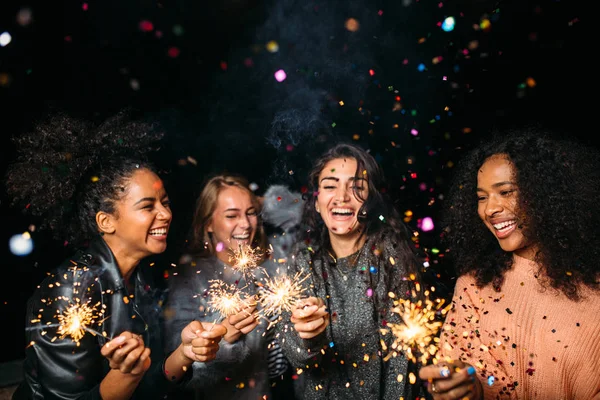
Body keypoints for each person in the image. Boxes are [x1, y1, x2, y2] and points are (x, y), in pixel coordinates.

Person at [7, 112, 227, 400]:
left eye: (165, 203)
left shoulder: (140, 278)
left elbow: (146, 387)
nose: (166, 214)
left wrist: (184, 354)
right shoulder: (69, 291)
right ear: (106, 222)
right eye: (148, 206)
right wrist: (127, 374)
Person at [418, 126, 600, 399]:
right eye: (481, 197)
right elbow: (457, 372)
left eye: (505, 192)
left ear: (545, 195)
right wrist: (465, 388)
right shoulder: (473, 288)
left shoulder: (594, 293)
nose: (490, 209)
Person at [276, 142, 428, 400]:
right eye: (330, 185)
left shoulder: (394, 259)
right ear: (316, 200)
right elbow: (297, 358)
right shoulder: (302, 261)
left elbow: (403, 363)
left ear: (370, 199)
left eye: (356, 186)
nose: (342, 196)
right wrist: (310, 336)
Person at [163, 174, 302, 399]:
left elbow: (306, 214)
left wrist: (264, 201)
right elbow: (181, 376)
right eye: (231, 215)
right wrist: (226, 340)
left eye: (250, 213)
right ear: (208, 223)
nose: (246, 224)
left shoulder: (270, 263)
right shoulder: (189, 278)